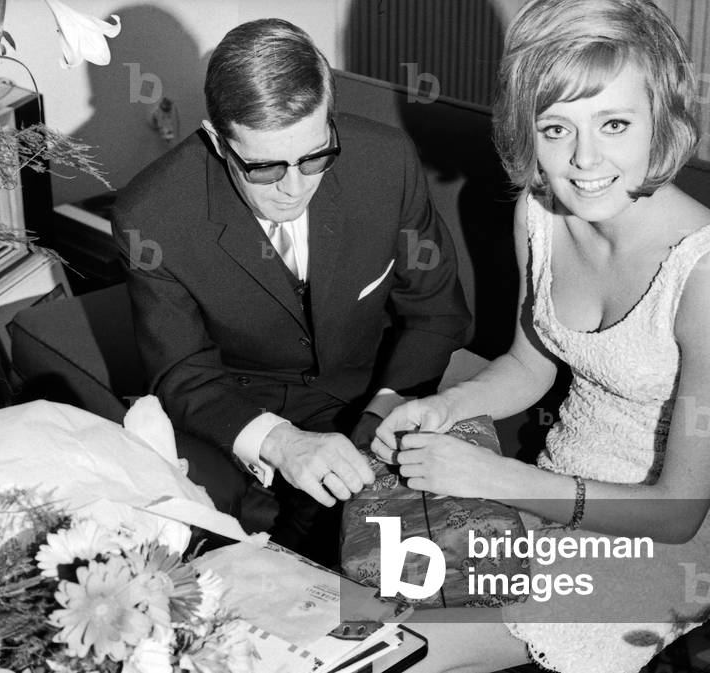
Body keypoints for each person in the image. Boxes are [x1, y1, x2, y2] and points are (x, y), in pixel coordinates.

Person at [368, 0, 710, 671]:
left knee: (410, 648)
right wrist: (445, 408)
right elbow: (530, 367)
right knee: (382, 596)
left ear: (659, 120)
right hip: (564, 476)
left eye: (614, 123)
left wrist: (497, 477)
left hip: (677, 530)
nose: (584, 161)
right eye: (556, 128)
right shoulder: (541, 211)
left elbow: (680, 513)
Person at [113, 19, 470, 563]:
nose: (295, 187)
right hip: (251, 410)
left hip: (372, 393)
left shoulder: (385, 163)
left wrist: (388, 407)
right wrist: (281, 444)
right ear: (216, 140)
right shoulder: (153, 215)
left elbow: (436, 313)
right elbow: (182, 372)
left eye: (314, 157)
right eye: (264, 168)